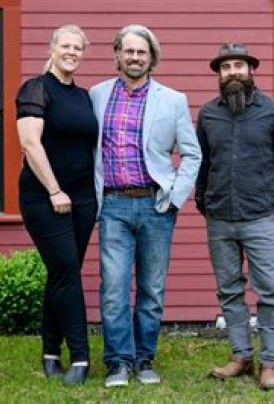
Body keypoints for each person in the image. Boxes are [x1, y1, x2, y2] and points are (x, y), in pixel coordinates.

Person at [89, 24, 201, 387]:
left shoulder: (173, 100)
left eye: (142, 52)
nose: (135, 57)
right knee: (114, 289)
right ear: (117, 55)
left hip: (156, 205)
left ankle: (144, 358)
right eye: (129, 51)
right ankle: (118, 362)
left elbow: (192, 154)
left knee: (152, 289)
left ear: (152, 58)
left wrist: (176, 197)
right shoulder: (97, 95)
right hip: (113, 205)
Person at [195, 43, 274, 390]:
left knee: (269, 291)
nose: (233, 72)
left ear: (251, 70)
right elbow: (204, 163)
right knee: (229, 290)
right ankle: (241, 356)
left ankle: (270, 362)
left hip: (259, 216)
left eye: (239, 65)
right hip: (219, 217)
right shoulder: (208, 114)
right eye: (226, 67)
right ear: (219, 74)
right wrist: (203, 200)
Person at [15, 25, 98, 386]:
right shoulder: (36, 89)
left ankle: (50, 352)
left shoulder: (83, 97)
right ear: (52, 48)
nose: (71, 52)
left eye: (78, 48)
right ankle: (80, 358)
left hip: (83, 199)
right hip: (44, 197)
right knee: (66, 272)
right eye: (66, 46)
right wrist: (54, 190)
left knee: (62, 273)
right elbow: (30, 144)